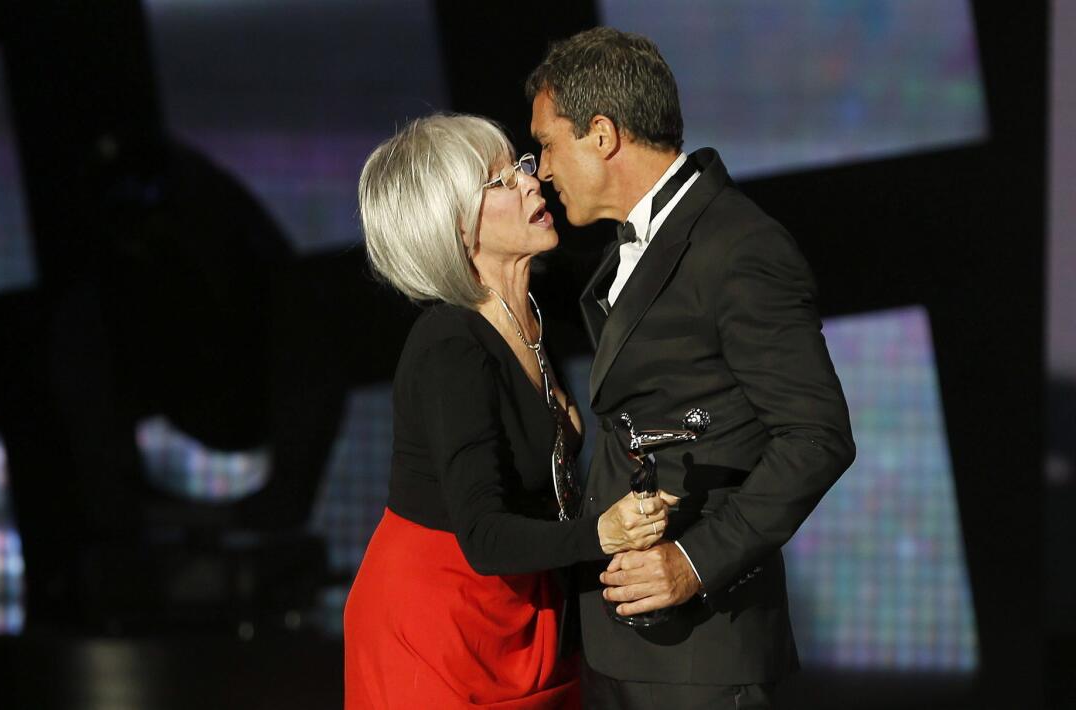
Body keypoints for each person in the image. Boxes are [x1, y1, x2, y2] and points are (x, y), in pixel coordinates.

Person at [526, 28, 857, 709]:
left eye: (547, 145)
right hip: (629, 643)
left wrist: (694, 563)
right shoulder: (638, 244)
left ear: (601, 134)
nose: (543, 170)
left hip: (704, 652)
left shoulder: (739, 246)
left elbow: (816, 436)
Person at [344, 114, 680, 709]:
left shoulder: (533, 313)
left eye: (521, 167)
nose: (531, 183)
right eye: (499, 182)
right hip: (439, 627)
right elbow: (482, 535)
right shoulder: (451, 345)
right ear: (452, 227)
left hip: (523, 612)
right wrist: (602, 533)